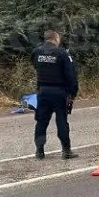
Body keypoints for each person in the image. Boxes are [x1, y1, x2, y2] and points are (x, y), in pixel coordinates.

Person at [31, 29, 79, 159]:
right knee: (62, 121)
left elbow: (36, 67)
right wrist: (73, 92)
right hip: (59, 92)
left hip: (43, 91)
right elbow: (70, 75)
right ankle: (66, 151)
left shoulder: (36, 52)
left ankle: (39, 151)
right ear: (56, 39)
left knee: (41, 122)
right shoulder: (62, 53)